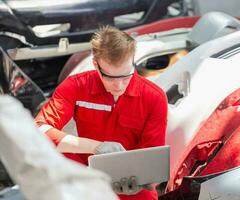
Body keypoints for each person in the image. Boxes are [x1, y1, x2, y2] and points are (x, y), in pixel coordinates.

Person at [34, 25, 168, 200]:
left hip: (132, 183)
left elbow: (152, 156)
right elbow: (38, 131)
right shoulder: (75, 86)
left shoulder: (154, 97)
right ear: (96, 65)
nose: (119, 85)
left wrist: (142, 182)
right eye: (110, 77)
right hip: (86, 178)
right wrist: (95, 147)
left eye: (126, 75)